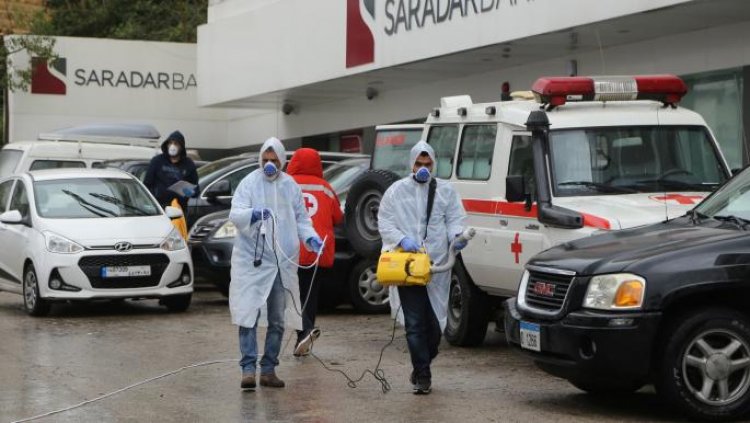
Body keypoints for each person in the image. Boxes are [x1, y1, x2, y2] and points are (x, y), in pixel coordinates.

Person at [228, 137, 323, 391]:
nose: (270, 165)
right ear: (261, 159)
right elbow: (235, 214)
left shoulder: (290, 185)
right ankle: (248, 369)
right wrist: (253, 214)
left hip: (282, 262)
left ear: (282, 160)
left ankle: (268, 369)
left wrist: (310, 237)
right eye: (266, 160)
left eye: (274, 160)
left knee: (278, 320)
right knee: (247, 315)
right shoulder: (249, 183)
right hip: (253, 261)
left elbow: (302, 218)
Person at [378, 140, 468, 395]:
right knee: (415, 323)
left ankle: (422, 364)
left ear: (434, 164)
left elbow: (455, 220)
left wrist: (457, 238)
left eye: (428, 164)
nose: (423, 168)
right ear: (411, 163)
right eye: (419, 163)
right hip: (407, 266)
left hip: (437, 266)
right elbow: (385, 222)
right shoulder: (396, 191)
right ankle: (423, 375)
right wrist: (402, 241)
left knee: (436, 326)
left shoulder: (445, 191)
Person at [286, 148, 343, 357]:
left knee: (293, 295)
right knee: (310, 295)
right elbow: (338, 217)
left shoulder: (286, 184)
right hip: (318, 249)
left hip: (291, 249)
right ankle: (304, 336)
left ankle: (305, 332)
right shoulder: (326, 188)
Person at [143, 130, 199, 211]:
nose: (172, 146)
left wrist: (190, 192)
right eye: (170, 143)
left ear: (181, 146)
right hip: (160, 208)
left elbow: (195, 188)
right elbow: (147, 184)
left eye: (176, 144)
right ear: (167, 145)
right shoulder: (157, 161)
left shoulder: (188, 164)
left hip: (180, 208)